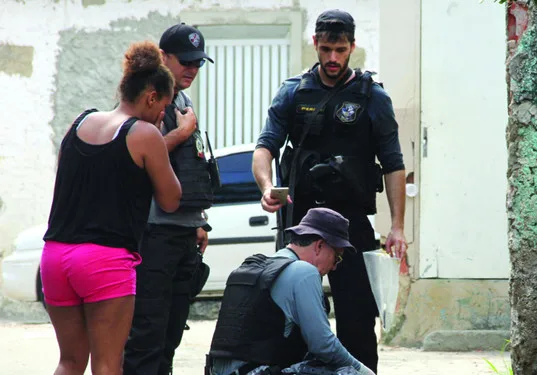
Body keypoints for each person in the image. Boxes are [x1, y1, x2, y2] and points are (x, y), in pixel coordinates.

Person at [252, 9, 407, 373]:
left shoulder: (372, 97)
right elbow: (265, 148)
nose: (332, 58)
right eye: (325, 49)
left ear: (352, 46)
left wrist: (398, 225)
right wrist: (266, 186)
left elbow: (394, 163)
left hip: (350, 224)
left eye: (340, 49)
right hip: (302, 222)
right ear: (315, 45)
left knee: (357, 322)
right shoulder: (293, 92)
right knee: (289, 319)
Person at [40, 40, 182, 375]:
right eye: (164, 104)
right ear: (151, 97)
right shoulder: (145, 134)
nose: (163, 112)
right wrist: (164, 138)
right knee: (107, 363)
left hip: (56, 256)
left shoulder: (79, 122)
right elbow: (171, 199)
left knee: (70, 361)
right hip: (103, 260)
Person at [124, 22, 216, 375]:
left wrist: (199, 220)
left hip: (182, 231)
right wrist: (179, 133)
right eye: (185, 62)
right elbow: (133, 157)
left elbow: (190, 166)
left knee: (171, 335)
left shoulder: (182, 100)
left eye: (198, 63)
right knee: (147, 335)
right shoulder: (144, 99)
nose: (192, 69)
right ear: (164, 57)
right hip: (154, 233)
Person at [206, 208, 376, 375]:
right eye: (337, 257)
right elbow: (324, 345)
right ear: (319, 245)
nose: (334, 267)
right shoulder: (304, 272)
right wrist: (364, 371)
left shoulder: (257, 268)